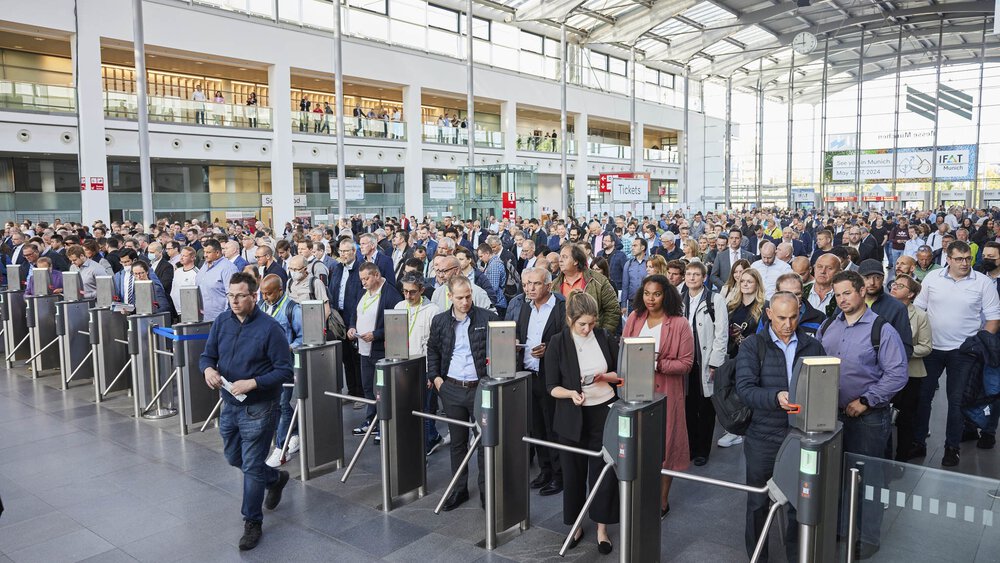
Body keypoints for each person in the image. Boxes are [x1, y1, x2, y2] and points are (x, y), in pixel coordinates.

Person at [199, 272, 293, 551]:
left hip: (260, 407)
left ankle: (252, 521)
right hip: (229, 403)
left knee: (251, 465)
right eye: (230, 295)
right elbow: (207, 355)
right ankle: (275, 478)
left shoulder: (270, 328)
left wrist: (253, 382)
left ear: (254, 297)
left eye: (240, 296)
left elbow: (284, 370)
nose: (235, 301)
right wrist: (207, 369)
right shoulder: (221, 322)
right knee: (233, 457)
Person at [817, 271, 907, 560]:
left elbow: (897, 374)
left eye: (847, 293)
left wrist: (867, 400)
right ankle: (842, 528)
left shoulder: (882, 330)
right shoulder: (830, 324)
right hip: (831, 416)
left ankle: (868, 537)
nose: (842, 299)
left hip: (867, 418)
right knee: (838, 475)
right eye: (838, 294)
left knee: (868, 478)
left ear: (861, 292)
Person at [735, 291, 826, 562]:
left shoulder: (812, 346)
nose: (788, 324)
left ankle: (796, 556)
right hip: (763, 435)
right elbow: (745, 389)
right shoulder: (753, 345)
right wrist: (776, 398)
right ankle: (757, 557)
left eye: (794, 317)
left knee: (800, 503)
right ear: (769, 314)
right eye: (782, 317)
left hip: (800, 435)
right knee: (758, 502)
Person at [913, 240, 1000, 466]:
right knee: (923, 398)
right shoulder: (932, 279)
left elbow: (993, 319)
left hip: (963, 352)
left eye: (967, 259)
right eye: (959, 259)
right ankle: (917, 442)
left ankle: (952, 448)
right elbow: (919, 309)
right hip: (932, 349)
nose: (964, 263)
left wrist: (978, 345)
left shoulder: (983, 283)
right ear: (948, 259)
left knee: (957, 401)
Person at [545, 290, 620, 553]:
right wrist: (570, 393)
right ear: (569, 319)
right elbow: (551, 386)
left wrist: (604, 376)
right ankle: (575, 525)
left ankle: (602, 528)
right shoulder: (557, 342)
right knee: (573, 472)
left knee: (603, 472)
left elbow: (619, 373)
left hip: (604, 410)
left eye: (591, 323)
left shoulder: (603, 336)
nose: (588, 329)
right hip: (571, 415)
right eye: (582, 324)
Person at [622, 274, 694, 516]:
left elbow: (686, 363)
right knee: (637, 444)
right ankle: (637, 493)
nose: (650, 299)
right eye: (646, 293)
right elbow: (624, 349)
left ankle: (662, 501)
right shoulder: (635, 317)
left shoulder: (679, 323)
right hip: (636, 389)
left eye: (657, 294)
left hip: (666, 392)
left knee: (666, 447)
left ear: (666, 295)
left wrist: (658, 364)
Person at [426, 276, 499, 511]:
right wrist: (436, 379)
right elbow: (433, 349)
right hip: (452, 388)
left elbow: (502, 348)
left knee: (483, 442)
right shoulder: (439, 321)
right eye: (460, 297)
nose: (465, 301)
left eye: (468, 296)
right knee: (458, 442)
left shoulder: (488, 318)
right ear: (450, 297)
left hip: (479, 388)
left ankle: (486, 491)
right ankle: (459, 490)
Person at [516, 267, 566, 497]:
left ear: (548, 285)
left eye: (535, 284)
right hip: (529, 373)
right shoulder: (526, 307)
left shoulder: (560, 307)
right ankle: (545, 470)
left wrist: (550, 349)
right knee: (536, 428)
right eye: (526, 284)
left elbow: (569, 339)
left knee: (553, 427)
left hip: (551, 377)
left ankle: (559, 475)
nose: (530, 288)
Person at [678, 261, 728, 465]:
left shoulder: (715, 299)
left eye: (696, 274)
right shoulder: (679, 299)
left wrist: (715, 362)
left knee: (705, 408)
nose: (691, 278)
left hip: (705, 361)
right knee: (687, 406)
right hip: (685, 361)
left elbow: (722, 334)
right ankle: (690, 446)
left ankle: (702, 450)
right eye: (688, 274)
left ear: (704, 277)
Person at [349, 262, 403, 439]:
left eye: (366, 278)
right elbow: (355, 312)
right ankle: (370, 420)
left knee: (380, 389)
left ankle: (382, 423)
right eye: (361, 279)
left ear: (377, 275)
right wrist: (351, 327)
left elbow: (395, 323)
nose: (363, 282)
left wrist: (376, 334)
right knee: (367, 387)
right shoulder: (363, 291)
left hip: (379, 349)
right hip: (364, 349)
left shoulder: (390, 294)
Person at [393, 273, 444, 454]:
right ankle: (421, 437)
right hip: (402, 365)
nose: (408, 296)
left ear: (422, 290)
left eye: (412, 292)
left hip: (423, 366)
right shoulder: (399, 307)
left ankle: (428, 440)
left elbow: (435, 345)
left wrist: (432, 372)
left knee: (425, 407)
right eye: (405, 291)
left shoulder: (432, 310)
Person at [258, 275, 304, 469]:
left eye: (269, 293)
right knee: (274, 403)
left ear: (280, 290)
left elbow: (303, 337)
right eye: (263, 293)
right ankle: (295, 434)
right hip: (266, 364)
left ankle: (281, 448)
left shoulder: (294, 309)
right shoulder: (261, 306)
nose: (266, 297)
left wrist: (289, 347)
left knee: (283, 403)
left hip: (285, 364)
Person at [888, 274, 933, 461]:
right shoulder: (882, 310)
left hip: (911, 374)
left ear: (911, 294)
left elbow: (926, 346)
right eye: (894, 284)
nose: (894, 287)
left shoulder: (920, 316)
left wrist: (902, 350)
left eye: (900, 286)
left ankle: (902, 458)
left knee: (906, 419)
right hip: (885, 373)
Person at [552, 243, 620, 333]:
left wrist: (603, 334)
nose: (560, 260)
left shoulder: (598, 281)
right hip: (564, 339)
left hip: (592, 336)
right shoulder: (554, 285)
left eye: (564, 257)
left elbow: (613, 310)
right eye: (560, 256)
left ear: (576, 261)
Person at [330, 237, 365, 404]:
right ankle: (351, 392)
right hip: (339, 318)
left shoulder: (360, 269)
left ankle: (361, 395)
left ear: (354, 252)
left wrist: (354, 321)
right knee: (345, 357)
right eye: (341, 251)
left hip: (355, 318)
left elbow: (360, 297)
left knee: (357, 358)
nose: (343, 254)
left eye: (346, 251)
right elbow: (332, 290)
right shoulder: (337, 268)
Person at [196, 239, 238, 321]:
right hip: (202, 318)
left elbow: (232, 295)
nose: (205, 255)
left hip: (220, 319)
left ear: (217, 253)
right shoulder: (204, 266)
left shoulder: (228, 268)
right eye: (204, 252)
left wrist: (226, 317)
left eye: (208, 252)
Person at [620, 238, 648, 315]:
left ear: (642, 248)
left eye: (635, 246)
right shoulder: (628, 264)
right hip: (632, 302)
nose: (632, 248)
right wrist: (623, 305)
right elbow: (625, 286)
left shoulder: (650, 263)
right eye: (632, 246)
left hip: (647, 301)